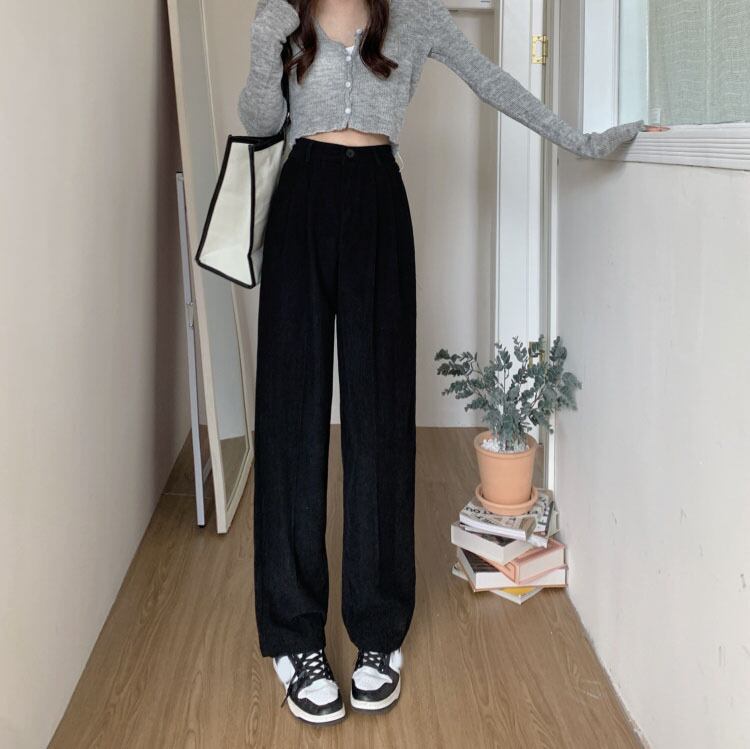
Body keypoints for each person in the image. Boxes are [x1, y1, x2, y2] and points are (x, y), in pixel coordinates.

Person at [238, 0, 659, 726]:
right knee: (289, 419)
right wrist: (261, 46)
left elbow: (494, 83)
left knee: (379, 422)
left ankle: (378, 632)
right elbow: (256, 121)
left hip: (378, 203)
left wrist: (582, 141)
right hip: (300, 201)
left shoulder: (415, 17)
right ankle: (294, 636)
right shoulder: (281, 12)